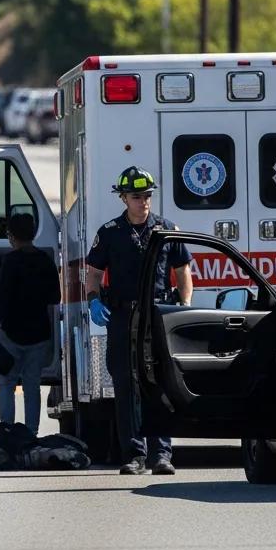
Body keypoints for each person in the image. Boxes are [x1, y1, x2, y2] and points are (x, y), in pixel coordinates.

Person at [84, 166, 193, 476]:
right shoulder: (110, 233)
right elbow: (92, 273)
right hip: (122, 316)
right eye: (136, 196)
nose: (143, 201)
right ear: (123, 198)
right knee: (125, 384)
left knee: (159, 383)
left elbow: (184, 270)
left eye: (147, 196)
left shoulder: (166, 228)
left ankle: (161, 454)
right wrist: (93, 300)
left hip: (159, 316)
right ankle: (133, 455)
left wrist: (184, 306)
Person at [0, 212, 61, 435]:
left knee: (6, 384)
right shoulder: (45, 260)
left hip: (11, 334)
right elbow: (55, 297)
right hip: (39, 334)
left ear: (11, 236)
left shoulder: (11, 261)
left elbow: (1, 299)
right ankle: (31, 433)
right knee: (32, 386)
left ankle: (7, 429)